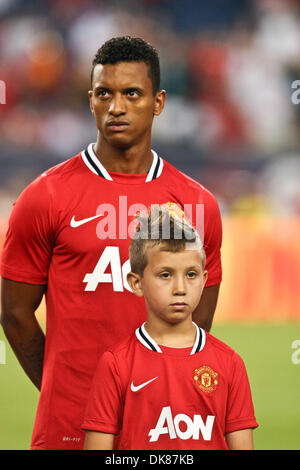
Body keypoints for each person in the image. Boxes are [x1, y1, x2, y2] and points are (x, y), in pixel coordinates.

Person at [0, 36, 222, 450]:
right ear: (90, 100)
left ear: (158, 103)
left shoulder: (196, 203)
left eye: (131, 94)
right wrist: (60, 389)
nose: (116, 107)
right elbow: (14, 312)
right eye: (105, 93)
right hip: (69, 427)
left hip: (161, 427)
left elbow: (196, 321)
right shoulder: (44, 196)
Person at [82, 207, 258, 450]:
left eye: (191, 275)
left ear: (204, 280)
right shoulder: (116, 364)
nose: (180, 288)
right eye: (165, 275)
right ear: (136, 282)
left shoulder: (229, 363)